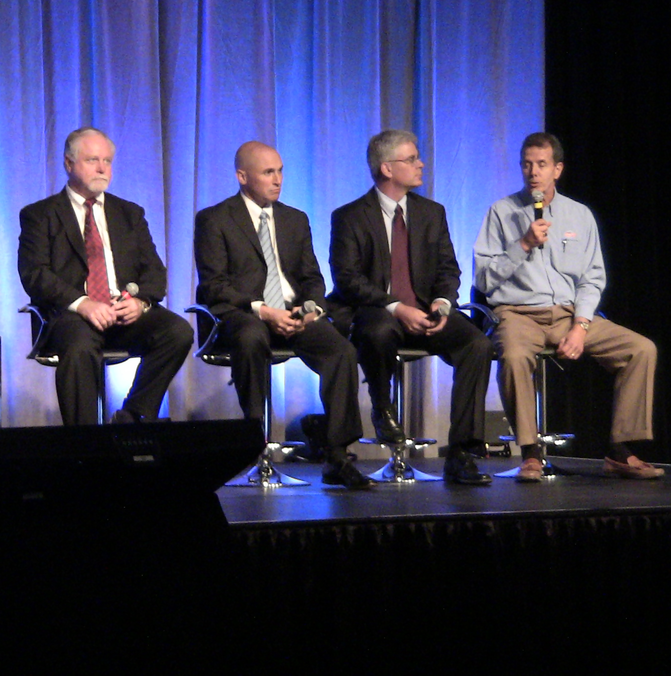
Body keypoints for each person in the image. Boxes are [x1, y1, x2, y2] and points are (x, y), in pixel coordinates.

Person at [474, 132, 660, 482]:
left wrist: (581, 326)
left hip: (567, 315)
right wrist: (524, 244)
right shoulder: (501, 212)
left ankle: (620, 449)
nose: (533, 172)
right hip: (517, 314)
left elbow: (592, 278)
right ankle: (530, 452)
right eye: (527, 165)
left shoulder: (580, 215)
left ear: (557, 169)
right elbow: (484, 280)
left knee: (641, 349)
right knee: (514, 357)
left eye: (541, 165)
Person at [193, 141, 372, 489]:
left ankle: (337, 455)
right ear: (242, 176)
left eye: (280, 171)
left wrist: (311, 309)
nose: (278, 180)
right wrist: (264, 310)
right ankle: (254, 442)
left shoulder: (294, 219)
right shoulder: (215, 219)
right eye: (268, 172)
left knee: (341, 351)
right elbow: (215, 285)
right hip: (244, 313)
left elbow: (311, 277)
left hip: (291, 313)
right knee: (251, 335)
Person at [328, 130, 494, 485]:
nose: (421, 164)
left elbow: (449, 269)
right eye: (412, 159)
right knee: (378, 329)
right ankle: (382, 405)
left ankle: (462, 452)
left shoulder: (432, 213)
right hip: (376, 309)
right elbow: (347, 278)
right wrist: (394, 306)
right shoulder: (350, 216)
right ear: (387, 168)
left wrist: (442, 303)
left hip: (426, 310)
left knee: (476, 343)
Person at [18, 127, 192, 426]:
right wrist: (82, 303)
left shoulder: (129, 213)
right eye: (92, 160)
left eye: (108, 161)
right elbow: (34, 274)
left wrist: (140, 302)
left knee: (178, 332)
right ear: (69, 164)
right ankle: (87, 443)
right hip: (71, 316)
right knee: (80, 346)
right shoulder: (40, 214)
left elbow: (155, 272)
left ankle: (134, 415)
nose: (102, 168)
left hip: (122, 311)